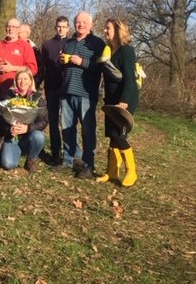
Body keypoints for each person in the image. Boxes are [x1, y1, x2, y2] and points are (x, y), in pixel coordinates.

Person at [59, 11, 105, 179]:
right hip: (67, 91)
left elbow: (101, 68)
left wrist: (82, 62)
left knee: (87, 130)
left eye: (84, 22)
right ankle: (68, 160)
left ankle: (88, 165)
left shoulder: (98, 43)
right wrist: (62, 60)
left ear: (91, 25)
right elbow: (64, 64)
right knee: (67, 129)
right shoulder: (69, 42)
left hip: (86, 93)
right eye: (78, 22)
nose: (81, 25)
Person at [97, 18, 139, 187]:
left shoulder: (126, 51)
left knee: (119, 135)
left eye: (108, 28)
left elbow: (130, 79)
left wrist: (124, 100)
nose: (105, 31)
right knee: (111, 134)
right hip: (111, 98)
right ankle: (112, 172)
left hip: (124, 99)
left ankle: (132, 172)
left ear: (117, 30)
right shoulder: (109, 50)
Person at [0, 18, 38, 159]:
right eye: (8, 26)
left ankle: (12, 150)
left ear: (18, 29)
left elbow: (33, 69)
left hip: (15, 93)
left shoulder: (25, 46)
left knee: (10, 123)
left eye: (14, 27)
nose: (11, 29)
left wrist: (13, 68)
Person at [0, 68, 48, 173]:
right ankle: (11, 150)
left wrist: (28, 128)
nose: (22, 82)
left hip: (29, 136)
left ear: (30, 81)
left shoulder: (37, 98)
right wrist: (9, 128)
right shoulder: (8, 96)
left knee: (39, 137)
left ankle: (30, 159)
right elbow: (0, 120)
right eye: (19, 79)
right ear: (16, 81)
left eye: (25, 79)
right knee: (8, 164)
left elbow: (43, 121)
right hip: (12, 137)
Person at [40, 16, 70, 166]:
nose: (61, 29)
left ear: (68, 28)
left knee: (66, 121)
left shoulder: (71, 44)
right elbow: (43, 68)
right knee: (53, 120)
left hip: (66, 88)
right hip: (51, 87)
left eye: (64, 27)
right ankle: (56, 152)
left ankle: (69, 153)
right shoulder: (47, 45)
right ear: (55, 27)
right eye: (59, 26)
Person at [19, 23, 43, 89]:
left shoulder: (35, 50)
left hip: (29, 87)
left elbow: (40, 71)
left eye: (19, 32)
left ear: (27, 34)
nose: (17, 34)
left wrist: (33, 84)